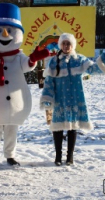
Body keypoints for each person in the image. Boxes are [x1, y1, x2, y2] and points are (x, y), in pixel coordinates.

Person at [0, 3, 49, 173]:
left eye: (10, 30)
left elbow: (27, 65)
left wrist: (34, 58)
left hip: (15, 103)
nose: (5, 34)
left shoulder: (18, 56)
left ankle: (10, 155)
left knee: (11, 131)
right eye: (0, 30)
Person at [40, 33, 105, 166]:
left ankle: (70, 157)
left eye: (68, 43)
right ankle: (58, 156)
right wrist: (47, 98)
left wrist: (102, 60)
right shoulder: (54, 61)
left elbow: (93, 69)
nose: (65, 46)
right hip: (59, 99)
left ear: (72, 45)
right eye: (63, 43)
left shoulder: (79, 59)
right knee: (57, 128)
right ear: (60, 45)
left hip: (75, 99)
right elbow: (49, 82)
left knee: (72, 128)